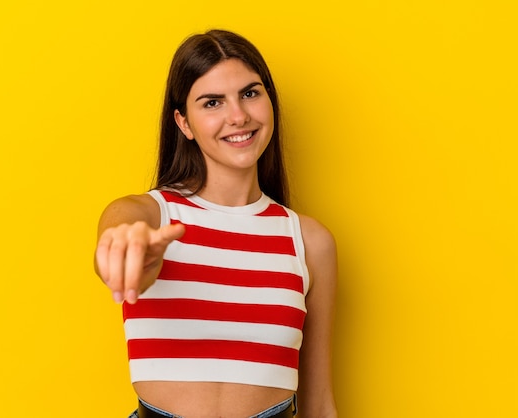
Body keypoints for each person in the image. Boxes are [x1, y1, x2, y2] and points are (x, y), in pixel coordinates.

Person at [95, 29, 338, 418]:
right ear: (184, 123)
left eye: (250, 93)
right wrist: (127, 248)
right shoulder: (150, 216)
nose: (238, 116)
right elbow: (117, 239)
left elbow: (320, 404)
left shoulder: (309, 241)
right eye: (212, 102)